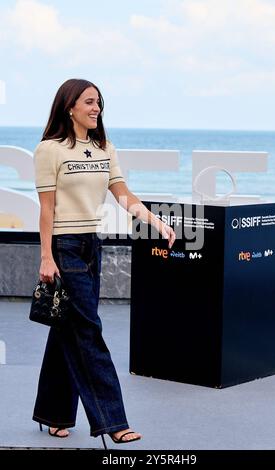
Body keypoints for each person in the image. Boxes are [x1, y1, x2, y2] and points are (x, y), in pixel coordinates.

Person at [32, 78, 176, 447]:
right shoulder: (50, 150)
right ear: (70, 107)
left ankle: (53, 414)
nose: (96, 109)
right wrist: (46, 257)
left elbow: (123, 195)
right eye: (90, 102)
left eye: (99, 103)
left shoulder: (104, 148)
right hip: (64, 246)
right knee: (89, 332)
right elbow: (46, 210)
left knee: (69, 328)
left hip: (91, 247)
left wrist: (155, 220)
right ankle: (113, 421)